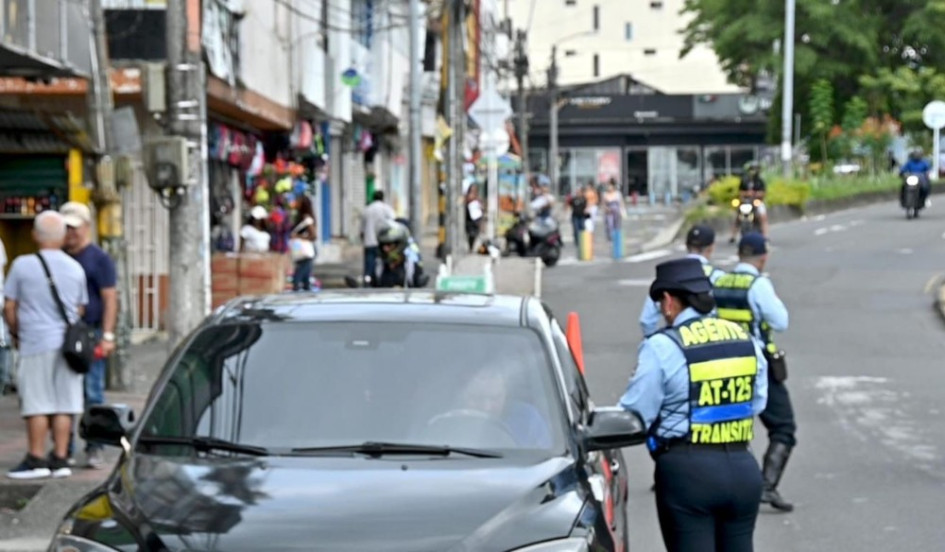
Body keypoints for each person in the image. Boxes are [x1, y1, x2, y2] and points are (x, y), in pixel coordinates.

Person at [619, 257, 768, 551]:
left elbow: (635, 414)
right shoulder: (744, 338)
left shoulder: (662, 346)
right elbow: (758, 401)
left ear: (668, 300)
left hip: (688, 473)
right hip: (743, 468)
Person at [712, 232, 794, 512]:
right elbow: (780, 321)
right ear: (763, 257)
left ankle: (726, 487)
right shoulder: (758, 285)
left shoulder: (719, 281)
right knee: (783, 427)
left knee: (728, 428)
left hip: (722, 365)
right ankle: (766, 486)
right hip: (757, 366)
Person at [4, 211, 88, 479]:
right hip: (67, 345)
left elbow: (9, 306)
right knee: (65, 403)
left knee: (37, 404)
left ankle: (36, 459)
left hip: (34, 342)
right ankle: (61, 459)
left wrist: (17, 332)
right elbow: (80, 308)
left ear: (34, 236)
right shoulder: (76, 268)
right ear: (63, 236)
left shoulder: (22, 265)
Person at [60, 202, 118, 470]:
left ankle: (94, 447)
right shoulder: (57, 256)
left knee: (92, 392)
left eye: (74, 227)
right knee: (62, 393)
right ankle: (64, 448)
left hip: (91, 331)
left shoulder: (99, 259)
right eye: (66, 227)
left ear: (86, 227)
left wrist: (107, 335)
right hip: (62, 332)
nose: (70, 233)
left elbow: (109, 297)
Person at [432, 365, 551, 448]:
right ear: (461, 394)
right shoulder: (440, 424)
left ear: (506, 394)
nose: (487, 407)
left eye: (495, 398)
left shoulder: (528, 421)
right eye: (477, 399)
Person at [640, 225, 726, 338]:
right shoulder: (720, 277)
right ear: (711, 248)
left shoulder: (669, 275)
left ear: (686, 245)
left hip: (679, 341)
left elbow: (647, 320)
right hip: (716, 340)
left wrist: (660, 342)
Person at [361, 190, 395, 282]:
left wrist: (362, 238)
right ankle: (382, 279)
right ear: (382, 198)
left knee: (369, 261)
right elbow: (393, 221)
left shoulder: (367, 209)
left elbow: (362, 228)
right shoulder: (386, 208)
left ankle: (368, 278)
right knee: (383, 260)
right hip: (383, 241)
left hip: (369, 240)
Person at [730, 162, 768, 242]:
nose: (754, 171)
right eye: (752, 169)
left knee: (762, 217)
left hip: (757, 201)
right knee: (738, 217)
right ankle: (733, 235)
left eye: (755, 169)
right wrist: (746, 194)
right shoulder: (744, 181)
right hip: (745, 202)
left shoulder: (760, 181)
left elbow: (763, 192)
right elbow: (740, 192)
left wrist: (756, 194)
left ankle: (765, 235)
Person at [290, 196, 317, 291]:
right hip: (300, 253)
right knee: (305, 280)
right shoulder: (300, 218)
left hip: (305, 253)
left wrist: (297, 236)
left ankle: (297, 294)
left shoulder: (307, 218)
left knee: (297, 278)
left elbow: (313, 236)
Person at [464, 184, 484, 252]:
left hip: (476, 218)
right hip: (469, 218)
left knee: (475, 233)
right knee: (470, 233)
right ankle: (470, 247)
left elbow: (481, 206)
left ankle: (471, 247)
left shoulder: (477, 198)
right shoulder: (467, 198)